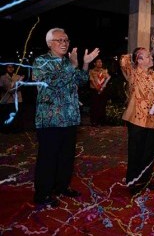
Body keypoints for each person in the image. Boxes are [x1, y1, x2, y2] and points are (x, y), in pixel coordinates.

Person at [32, 28, 99, 207]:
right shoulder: (41, 62)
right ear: (49, 43)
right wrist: (72, 65)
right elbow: (52, 84)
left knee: (66, 157)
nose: (64, 43)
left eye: (66, 40)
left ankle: (62, 187)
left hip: (70, 118)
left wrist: (85, 64)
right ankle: (43, 194)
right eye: (59, 40)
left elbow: (81, 80)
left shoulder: (68, 62)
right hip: (50, 120)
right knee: (48, 158)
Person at [120, 47, 154, 195]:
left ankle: (145, 180)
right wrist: (137, 52)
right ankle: (133, 182)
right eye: (148, 56)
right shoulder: (133, 74)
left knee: (149, 153)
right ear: (139, 60)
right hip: (136, 120)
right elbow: (123, 60)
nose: (151, 58)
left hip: (153, 121)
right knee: (136, 152)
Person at [0, 64, 24, 133]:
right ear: (6, 68)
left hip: (17, 99)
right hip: (7, 99)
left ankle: (17, 129)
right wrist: (8, 90)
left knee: (16, 114)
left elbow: (21, 86)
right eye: (9, 67)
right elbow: (1, 87)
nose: (10, 68)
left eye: (12, 67)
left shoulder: (18, 77)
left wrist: (15, 89)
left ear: (14, 68)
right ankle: (7, 129)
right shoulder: (3, 77)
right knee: (7, 114)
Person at [89, 58, 110, 126]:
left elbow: (107, 79)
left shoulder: (104, 71)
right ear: (94, 63)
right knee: (94, 106)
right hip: (94, 90)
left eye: (101, 62)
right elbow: (91, 80)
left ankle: (102, 121)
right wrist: (97, 88)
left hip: (103, 90)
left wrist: (102, 87)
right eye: (98, 62)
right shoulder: (91, 71)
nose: (100, 63)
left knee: (102, 106)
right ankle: (94, 121)